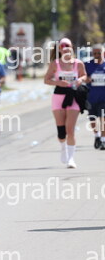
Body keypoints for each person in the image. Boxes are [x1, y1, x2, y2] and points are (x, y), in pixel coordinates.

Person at [43, 38, 87, 168]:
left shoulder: (78, 63)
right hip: (59, 97)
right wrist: (58, 82)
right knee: (61, 132)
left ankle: (71, 159)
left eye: (68, 45)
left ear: (72, 47)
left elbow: (84, 75)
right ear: (59, 50)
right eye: (62, 46)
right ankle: (63, 148)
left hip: (74, 96)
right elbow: (46, 80)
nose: (65, 48)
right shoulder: (55, 64)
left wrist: (80, 80)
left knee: (70, 130)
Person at [86, 44, 105, 150]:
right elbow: (81, 76)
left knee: (103, 118)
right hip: (91, 97)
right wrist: (86, 79)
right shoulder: (87, 65)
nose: (97, 55)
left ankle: (103, 140)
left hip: (103, 98)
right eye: (95, 53)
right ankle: (97, 136)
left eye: (99, 53)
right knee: (92, 118)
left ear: (103, 53)